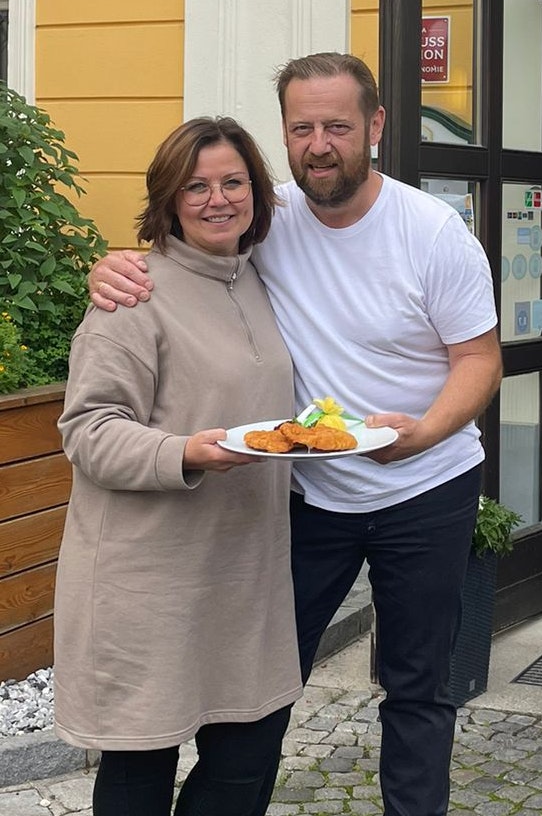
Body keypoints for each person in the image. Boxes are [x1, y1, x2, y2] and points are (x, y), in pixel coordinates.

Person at [89, 52, 503, 816]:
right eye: (302, 127)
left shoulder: (433, 231)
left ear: (375, 127)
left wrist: (426, 433)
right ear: (284, 132)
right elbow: (182, 245)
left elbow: (479, 358)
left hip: (426, 486)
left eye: (338, 126)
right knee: (265, 685)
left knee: (418, 686)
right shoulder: (263, 218)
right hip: (309, 495)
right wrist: (109, 267)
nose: (320, 145)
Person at [56, 117, 302, 816]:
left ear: (256, 192)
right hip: (147, 584)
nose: (217, 199)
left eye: (233, 182)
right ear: (167, 198)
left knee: (245, 760)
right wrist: (184, 452)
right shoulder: (132, 299)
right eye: (195, 186)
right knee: (141, 771)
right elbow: (89, 431)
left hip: (240, 575)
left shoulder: (255, 280)